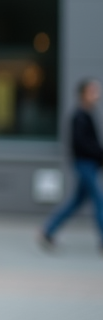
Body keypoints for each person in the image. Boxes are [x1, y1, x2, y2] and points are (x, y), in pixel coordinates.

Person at [40, 79, 103, 251]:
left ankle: (48, 230)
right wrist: (99, 153)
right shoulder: (79, 116)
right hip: (84, 164)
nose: (97, 95)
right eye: (93, 91)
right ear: (83, 94)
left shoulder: (88, 115)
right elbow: (81, 143)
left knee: (76, 201)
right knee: (99, 200)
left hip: (89, 164)